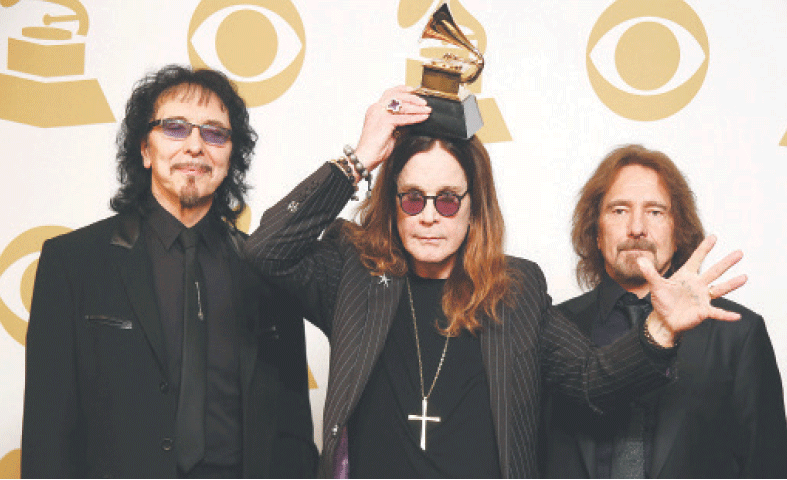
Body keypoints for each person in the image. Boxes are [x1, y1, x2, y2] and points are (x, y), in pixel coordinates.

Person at [244, 87, 749, 478]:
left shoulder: (515, 289)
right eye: (412, 198)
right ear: (392, 203)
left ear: (472, 208)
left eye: (446, 200)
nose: (428, 216)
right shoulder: (353, 273)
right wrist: (359, 157)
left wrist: (660, 329)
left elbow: (592, 382)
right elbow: (266, 248)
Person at [20, 65, 317, 478]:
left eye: (215, 133)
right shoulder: (73, 264)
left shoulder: (268, 269)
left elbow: (295, 435)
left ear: (231, 158)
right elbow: (46, 437)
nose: (196, 146)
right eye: (175, 128)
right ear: (144, 149)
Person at [542, 144, 787, 478]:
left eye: (655, 212)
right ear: (595, 233)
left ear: (678, 233)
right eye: (618, 211)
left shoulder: (738, 334)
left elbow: (768, 469)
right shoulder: (551, 327)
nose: (636, 228)